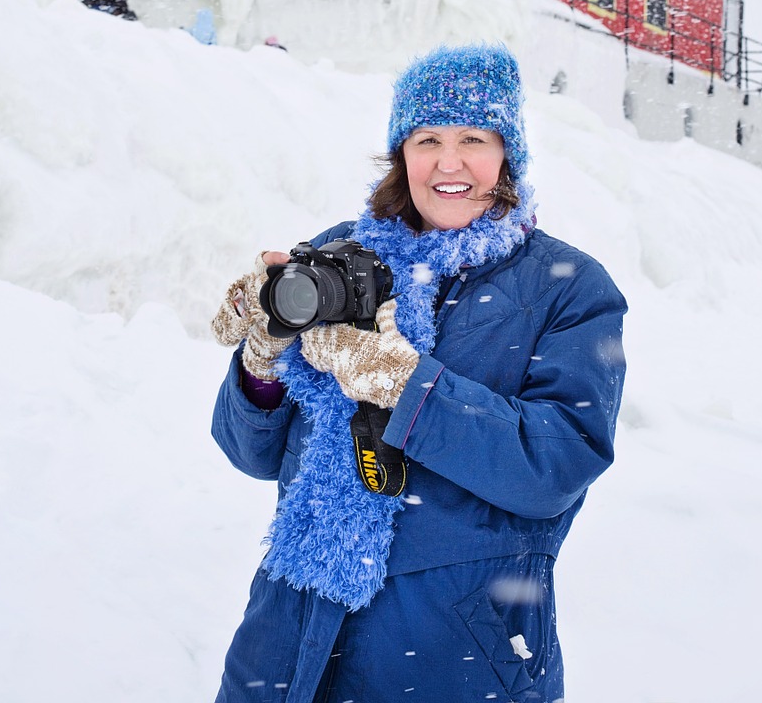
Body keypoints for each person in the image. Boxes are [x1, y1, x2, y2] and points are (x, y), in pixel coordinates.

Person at [211, 43, 627, 703]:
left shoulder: (568, 288)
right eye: (426, 137)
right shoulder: (340, 255)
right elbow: (251, 454)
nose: (448, 161)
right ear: (402, 154)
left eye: (473, 137)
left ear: (507, 154)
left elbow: (552, 465)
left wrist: (398, 383)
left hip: (455, 657)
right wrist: (260, 362)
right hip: (286, 642)